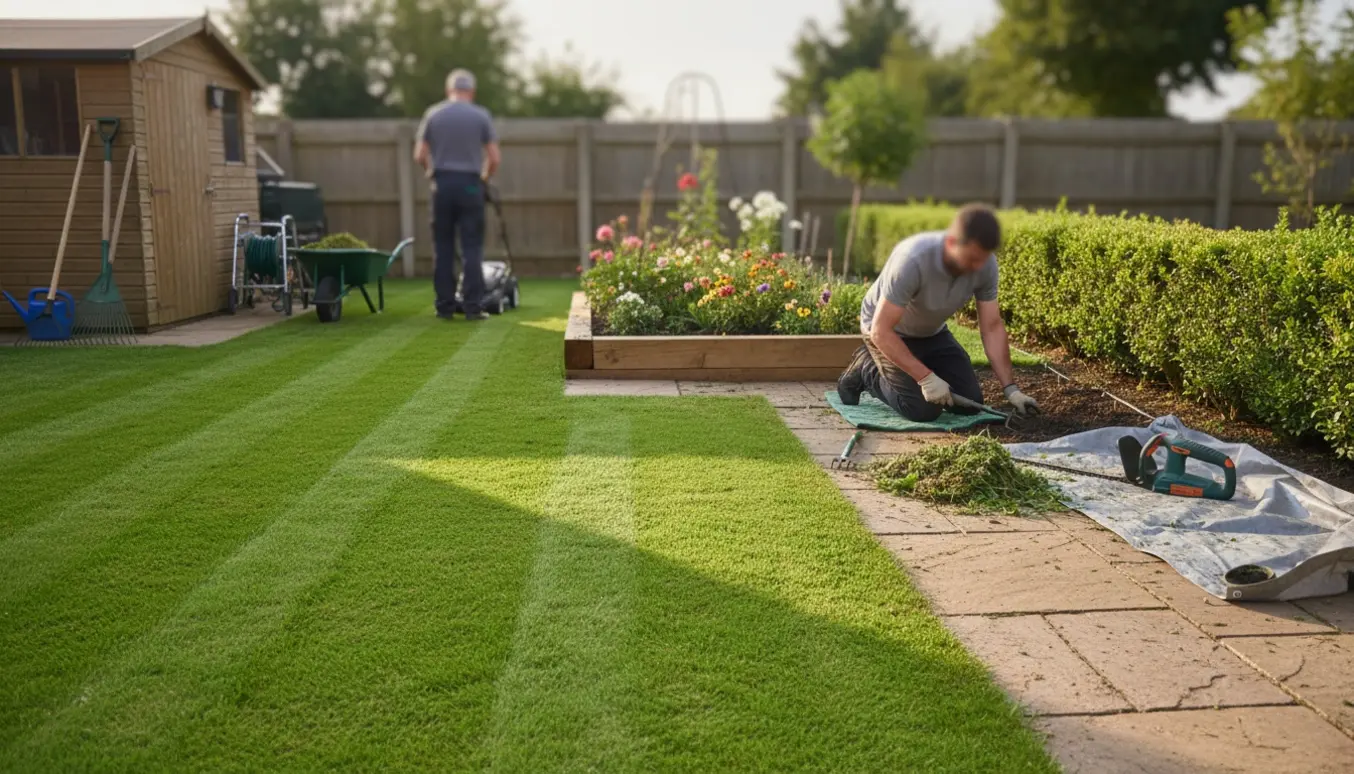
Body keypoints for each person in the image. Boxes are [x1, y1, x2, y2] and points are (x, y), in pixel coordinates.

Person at [837, 203, 1040, 422]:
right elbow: (880, 331)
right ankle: (866, 370)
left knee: (970, 405)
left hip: (931, 333)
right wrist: (926, 378)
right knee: (922, 410)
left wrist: (1011, 390)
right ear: (951, 242)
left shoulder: (985, 265)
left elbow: (991, 327)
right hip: (888, 332)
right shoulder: (912, 260)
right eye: (971, 259)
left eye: (982, 259)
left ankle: (915, 365)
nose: (977, 267)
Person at [414, 68, 502, 320]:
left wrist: (431, 171)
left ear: (448, 90)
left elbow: (419, 155)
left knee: (443, 247)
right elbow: (495, 158)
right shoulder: (481, 116)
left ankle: (445, 306)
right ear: (471, 91)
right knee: (472, 247)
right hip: (471, 185)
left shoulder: (434, 114)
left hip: (441, 185)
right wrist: (483, 178)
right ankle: (473, 308)